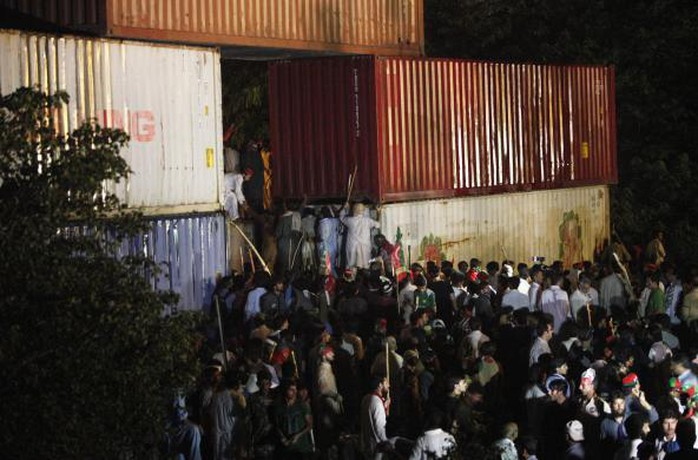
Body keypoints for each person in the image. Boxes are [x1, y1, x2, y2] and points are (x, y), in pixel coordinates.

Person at [274, 379, 314, 459]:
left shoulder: (302, 405)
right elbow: (277, 425)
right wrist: (282, 438)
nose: (295, 392)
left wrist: (297, 436)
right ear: (286, 390)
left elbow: (309, 425)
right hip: (287, 449)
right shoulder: (279, 407)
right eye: (291, 390)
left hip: (301, 448)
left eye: (295, 389)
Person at [360, 375, 393, 460]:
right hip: (377, 448)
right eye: (386, 383)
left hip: (366, 445)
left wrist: (384, 407)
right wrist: (386, 442)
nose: (389, 385)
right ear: (380, 385)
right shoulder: (377, 403)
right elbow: (379, 427)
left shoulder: (365, 398)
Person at [341, 202, 380, 269]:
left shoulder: (350, 220)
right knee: (365, 266)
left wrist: (344, 208)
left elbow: (341, 218)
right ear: (363, 211)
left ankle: (351, 278)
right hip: (365, 246)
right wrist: (378, 212)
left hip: (353, 246)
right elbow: (378, 225)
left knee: (351, 266)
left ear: (354, 210)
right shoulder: (367, 220)